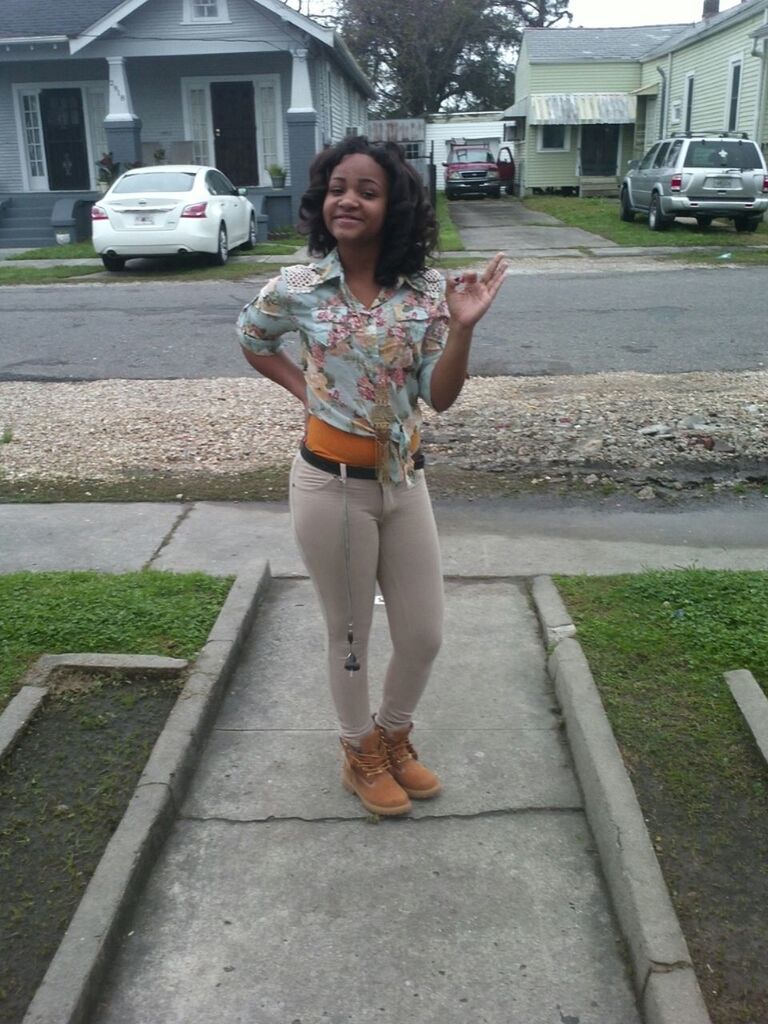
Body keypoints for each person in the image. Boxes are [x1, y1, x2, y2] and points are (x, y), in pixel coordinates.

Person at [237, 136, 507, 817]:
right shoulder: (295, 287)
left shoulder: (424, 295)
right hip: (330, 487)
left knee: (423, 634)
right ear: (321, 201)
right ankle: (358, 753)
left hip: (403, 482)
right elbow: (252, 339)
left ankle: (391, 736)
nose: (347, 199)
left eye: (367, 190)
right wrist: (308, 391)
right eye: (337, 187)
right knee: (351, 636)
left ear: (395, 207)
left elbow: (438, 397)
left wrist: (465, 328)